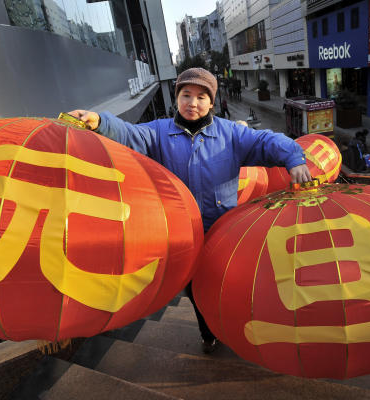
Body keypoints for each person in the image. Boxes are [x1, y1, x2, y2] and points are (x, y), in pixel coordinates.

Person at [68, 67, 311, 354]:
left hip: (223, 233)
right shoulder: (159, 132)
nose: (192, 103)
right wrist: (100, 122)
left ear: (211, 102)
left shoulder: (231, 133)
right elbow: (129, 134)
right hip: (183, 235)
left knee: (231, 284)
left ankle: (237, 328)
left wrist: (294, 157)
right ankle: (208, 331)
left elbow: (266, 140)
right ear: (177, 98)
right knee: (196, 291)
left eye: (200, 96)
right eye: (186, 95)